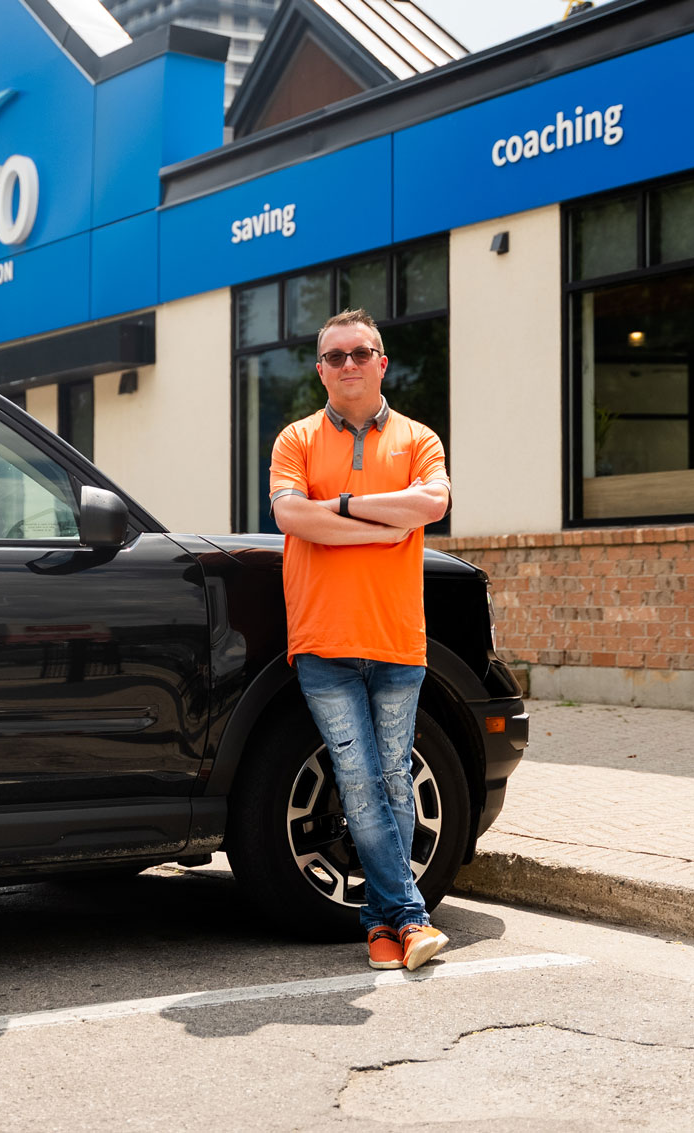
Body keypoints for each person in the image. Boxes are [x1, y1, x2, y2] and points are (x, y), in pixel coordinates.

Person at [268, 308, 452, 972]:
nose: (348, 364)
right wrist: (375, 518)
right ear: (320, 369)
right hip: (324, 640)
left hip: (399, 640)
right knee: (359, 780)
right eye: (335, 355)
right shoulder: (294, 438)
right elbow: (291, 515)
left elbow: (431, 504)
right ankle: (411, 915)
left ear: (382, 362)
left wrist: (335, 508)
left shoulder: (419, 438)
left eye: (360, 352)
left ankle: (381, 926)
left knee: (395, 783)